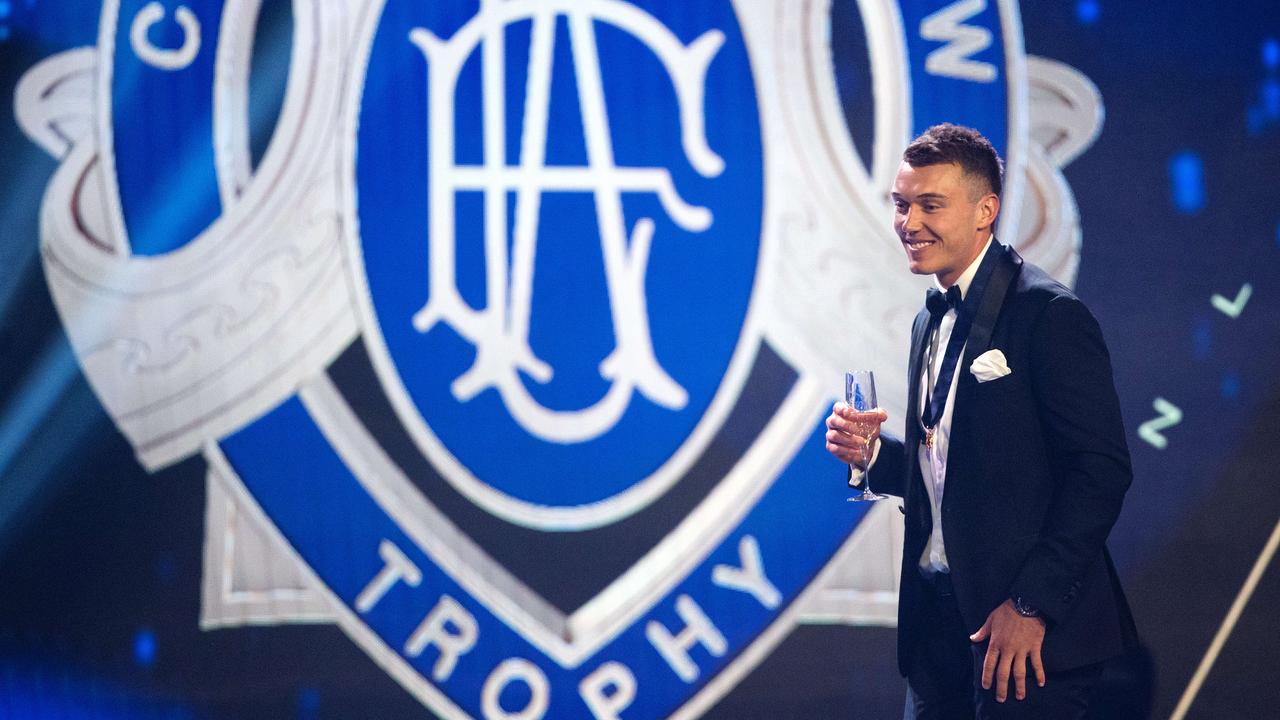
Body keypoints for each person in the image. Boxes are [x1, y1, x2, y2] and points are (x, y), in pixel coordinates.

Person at [825, 124, 1138, 719]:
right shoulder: (930, 320)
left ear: (985, 211)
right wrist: (875, 457)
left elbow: (1099, 472)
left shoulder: (1048, 315)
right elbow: (952, 469)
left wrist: (1030, 606)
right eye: (901, 204)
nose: (908, 223)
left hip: (1024, 639)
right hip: (938, 632)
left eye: (930, 205)